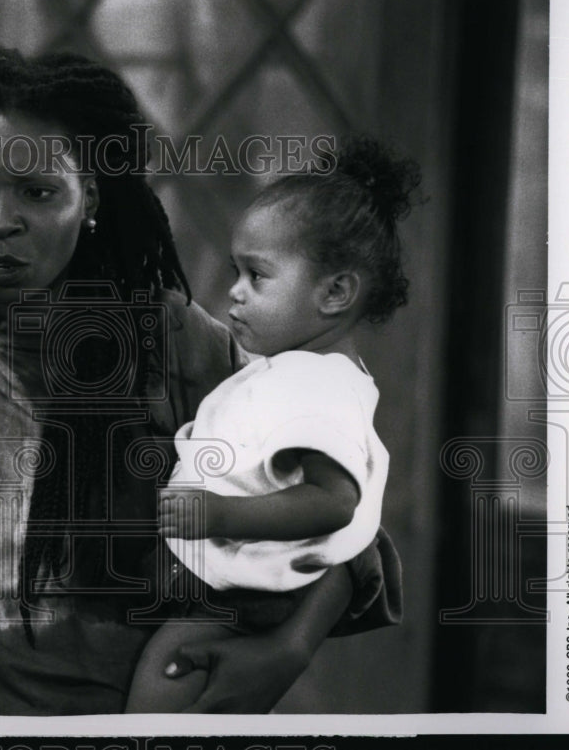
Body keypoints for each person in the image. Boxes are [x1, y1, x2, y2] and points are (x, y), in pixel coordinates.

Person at [0, 46, 402, 717]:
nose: (1, 220)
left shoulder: (171, 344)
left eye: (38, 191)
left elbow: (341, 516)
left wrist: (289, 645)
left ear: (90, 200)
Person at [124, 137, 416, 712]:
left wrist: (222, 513)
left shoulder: (318, 386)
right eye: (237, 271)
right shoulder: (294, 371)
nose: (233, 291)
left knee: (164, 679)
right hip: (239, 585)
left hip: (247, 602)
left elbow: (335, 503)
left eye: (257, 276)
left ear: (335, 292)